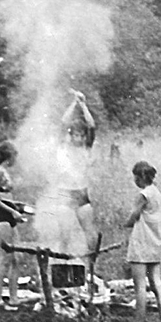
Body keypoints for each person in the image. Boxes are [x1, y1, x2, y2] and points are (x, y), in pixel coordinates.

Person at [123, 160, 161, 322]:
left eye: (135, 176)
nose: (134, 180)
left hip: (142, 244)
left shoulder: (143, 195)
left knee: (140, 286)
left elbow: (134, 214)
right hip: (156, 244)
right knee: (157, 283)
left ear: (141, 177)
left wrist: (125, 224)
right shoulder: (157, 192)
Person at [56, 90, 98, 270]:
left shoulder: (86, 148)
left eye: (82, 135)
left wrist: (83, 105)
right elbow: (63, 123)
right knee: (64, 234)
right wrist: (74, 103)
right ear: (71, 135)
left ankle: (91, 266)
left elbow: (92, 125)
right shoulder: (64, 146)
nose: (79, 138)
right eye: (76, 135)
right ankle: (62, 265)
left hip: (81, 193)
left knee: (90, 232)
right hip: (65, 193)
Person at [0, 141, 30, 309]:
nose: (16, 160)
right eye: (15, 156)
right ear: (9, 156)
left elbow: (4, 196)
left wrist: (17, 206)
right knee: (5, 257)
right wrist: (11, 211)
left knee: (17, 257)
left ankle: (14, 297)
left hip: (9, 215)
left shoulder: (4, 171)